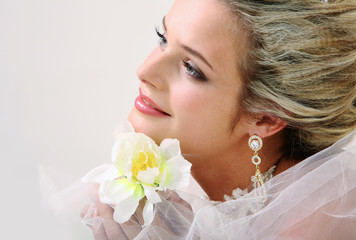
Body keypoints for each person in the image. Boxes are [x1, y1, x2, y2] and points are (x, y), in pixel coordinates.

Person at [80, 0, 356, 239]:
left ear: (265, 118)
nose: (144, 71)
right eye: (163, 38)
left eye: (191, 68)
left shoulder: (312, 222)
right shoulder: (179, 186)